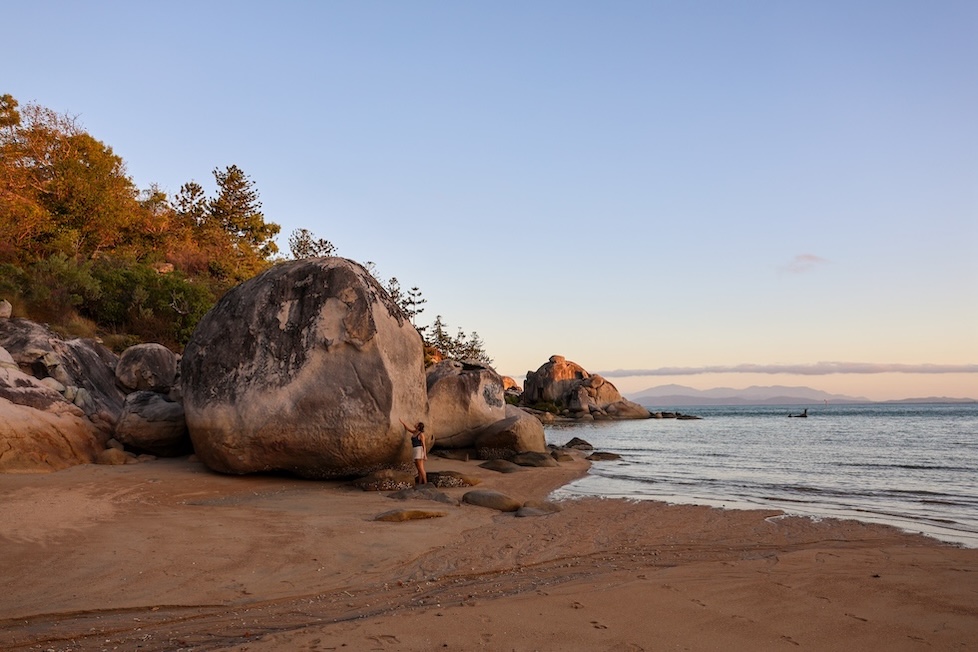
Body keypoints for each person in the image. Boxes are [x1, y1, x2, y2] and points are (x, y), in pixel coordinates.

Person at [400, 419, 427, 485]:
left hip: (419, 450)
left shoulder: (421, 434)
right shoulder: (415, 432)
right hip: (415, 449)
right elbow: (408, 429)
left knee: (421, 468)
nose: (415, 424)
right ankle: (420, 482)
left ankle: (425, 482)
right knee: (418, 468)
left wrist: (425, 455)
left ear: (419, 427)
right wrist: (402, 422)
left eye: (417, 424)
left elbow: (424, 445)